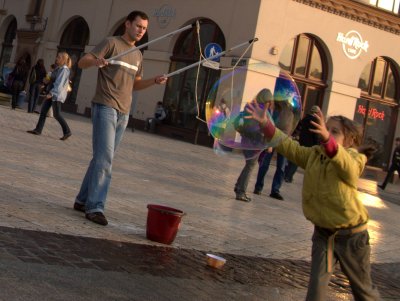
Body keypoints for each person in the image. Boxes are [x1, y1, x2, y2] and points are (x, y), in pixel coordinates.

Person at [245, 99, 380, 300]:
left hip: (352, 237)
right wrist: (266, 124)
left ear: (350, 140)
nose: (326, 133)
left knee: (364, 292)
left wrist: (328, 141)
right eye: (326, 129)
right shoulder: (314, 155)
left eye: (334, 131)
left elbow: (349, 170)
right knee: (315, 292)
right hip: (323, 235)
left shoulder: (354, 158)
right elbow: (288, 146)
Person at [74, 10, 167, 226]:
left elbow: (135, 84)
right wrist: (97, 62)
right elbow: (82, 62)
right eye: (138, 26)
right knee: (105, 158)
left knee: (102, 158)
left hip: (123, 113)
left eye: (144, 28)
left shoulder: (138, 55)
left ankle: (81, 200)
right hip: (105, 106)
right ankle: (95, 206)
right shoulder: (111, 44)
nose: (141, 31)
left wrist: (154, 81)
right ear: (127, 24)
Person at [234, 88, 273, 202]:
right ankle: (241, 192)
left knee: (249, 165)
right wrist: (269, 143)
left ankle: (238, 187)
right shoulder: (262, 111)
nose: (270, 103)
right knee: (250, 166)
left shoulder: (250, 106)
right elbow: (265, 128)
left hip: (246, 140)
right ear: (266, 100)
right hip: (255, 142)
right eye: (269, 100)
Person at [253, 100, 294, 201]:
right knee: (265, 164)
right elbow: (270, 123)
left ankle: (275, 190)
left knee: (281, 167)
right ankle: (258, 187)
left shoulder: (292, 111)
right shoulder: (277, 108)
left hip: (284, 140)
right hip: (272, 138)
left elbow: (292, 126)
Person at [27, 52, 72, 140]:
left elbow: (59, 83)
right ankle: (38, 130)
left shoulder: (64, 70)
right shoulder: (58, 68)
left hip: (56, 95)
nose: (56, 58)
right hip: (51, 93)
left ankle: (67, 131)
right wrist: (46, 82)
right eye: (57, 57)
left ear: (63, 59)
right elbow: (52, 79)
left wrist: (52, 93)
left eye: (58, 57)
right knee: (43, 112)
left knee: (57, 114)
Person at [284, 105, 321, 183]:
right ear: (317, 112)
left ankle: (287, 174)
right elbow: (316, 135)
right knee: (301, 161)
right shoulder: (315, 121)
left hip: (302, 141)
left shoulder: (304, 119)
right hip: (310, 144)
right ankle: (288, 176)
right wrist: (317, 143)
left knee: (296, 158)